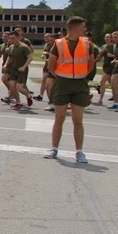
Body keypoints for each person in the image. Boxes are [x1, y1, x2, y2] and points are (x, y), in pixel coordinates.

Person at [45, 16, 93, 163]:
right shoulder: (58, 44)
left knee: (78, 119)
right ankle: (54, 148)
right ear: (74, 27)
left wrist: (82, 76)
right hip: (63, 83)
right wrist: (60, 77)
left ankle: (79, 151)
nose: (85, 29)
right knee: (59, 117)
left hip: (80, 84)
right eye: (82, 26)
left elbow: (90, 63)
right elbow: (51, 65)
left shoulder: (87, 44)